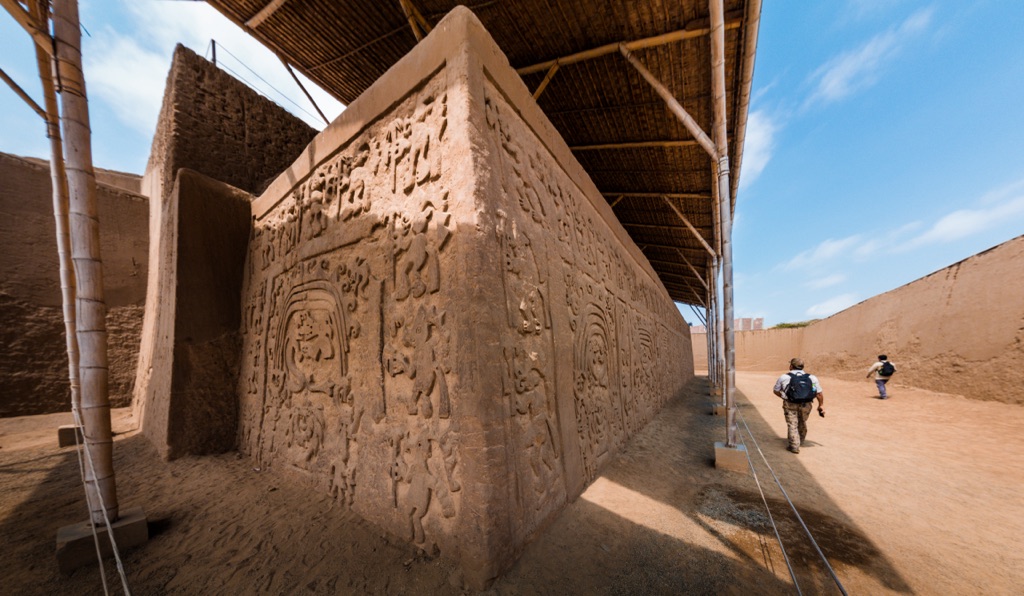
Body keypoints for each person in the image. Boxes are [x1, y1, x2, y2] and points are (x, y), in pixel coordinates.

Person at [772, 357, 825, 454]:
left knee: (792, 424)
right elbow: (819, 394)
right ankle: (800, 440)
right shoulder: (812, 378)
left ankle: (794, 446)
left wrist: (784, 397)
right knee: (802, 421)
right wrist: (821, 405)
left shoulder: (784, 377)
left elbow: (776, 391)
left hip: (790, 403)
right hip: (806, 404)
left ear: (791, 366)